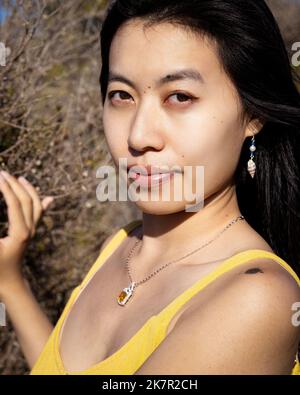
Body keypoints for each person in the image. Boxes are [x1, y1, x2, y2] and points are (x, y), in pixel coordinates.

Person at [0, 0, 299, 375]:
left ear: (253, 116)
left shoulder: (257, 297)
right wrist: (10, 280)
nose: (138, 136)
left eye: (179, 97)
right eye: (122, 96)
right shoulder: (122, 245)